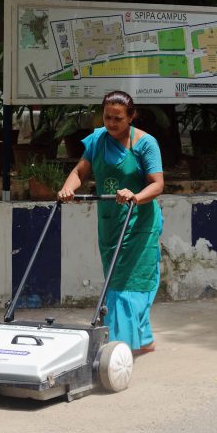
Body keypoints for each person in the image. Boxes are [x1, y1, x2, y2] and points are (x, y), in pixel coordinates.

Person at [58, 91, 164, 355]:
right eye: (107, 117)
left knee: (125, 284)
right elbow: (80, 172)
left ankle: (121, 348)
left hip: (139, 223)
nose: (111, 123)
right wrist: (67, 189)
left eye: (118, 118)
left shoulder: (145, 144)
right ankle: (144, 339)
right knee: (116, 280)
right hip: (110, 222)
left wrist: (135, 196)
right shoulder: (97, 140)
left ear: (131, 117)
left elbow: (157, 184)